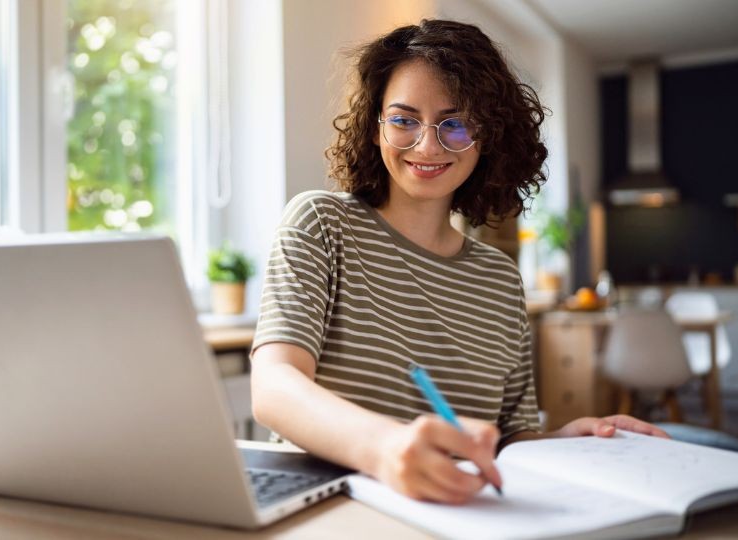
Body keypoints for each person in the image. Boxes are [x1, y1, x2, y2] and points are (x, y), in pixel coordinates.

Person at [250, 19, 667, 504]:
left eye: (456, 123)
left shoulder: (499, 279)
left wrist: (568, 443)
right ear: (374, 126)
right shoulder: (321, 223)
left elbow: (511, 439)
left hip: (456, 511)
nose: (428, 146)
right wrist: (385, 448)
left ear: (488, 135)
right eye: (404, 119)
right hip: (329, 507)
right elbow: (275, 386)